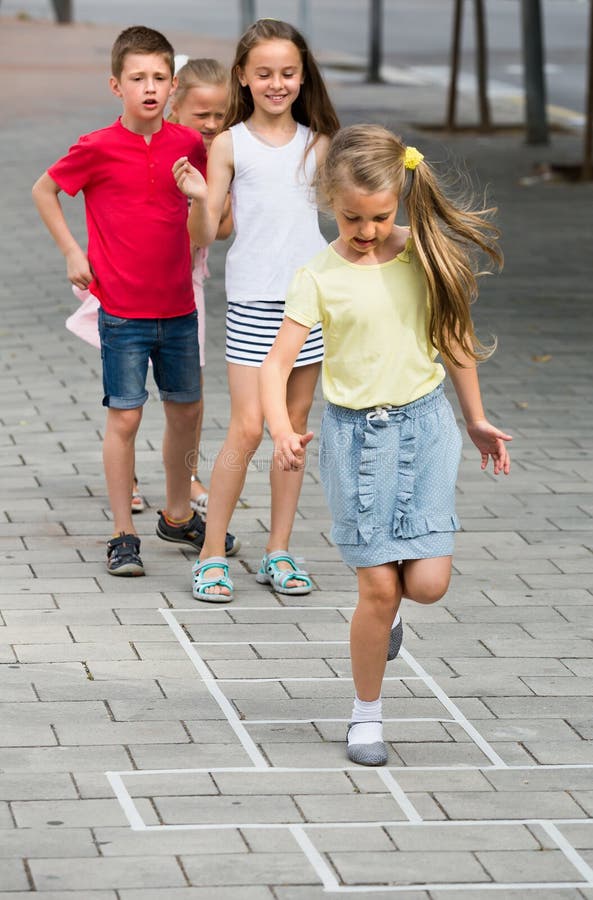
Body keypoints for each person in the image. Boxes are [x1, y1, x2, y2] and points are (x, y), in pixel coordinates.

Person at [260, 125, 512, 766]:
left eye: (379, 216)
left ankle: (394, 615)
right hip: (355, 439)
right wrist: (283, 428)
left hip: (426, 430)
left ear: (398, 200)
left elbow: (453, 338)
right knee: (378, 587)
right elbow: (275, 363)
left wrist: (476, 418)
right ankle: (365, 717)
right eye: (351, 217)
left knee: (425, 586)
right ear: (327, 202)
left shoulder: (425, 257)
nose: (366, 229)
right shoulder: (317, 275)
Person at [32, 25, 219, 576]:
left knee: (187, 411)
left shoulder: (188, 145)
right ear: (116, 84)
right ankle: (123, 532)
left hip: (179, 308)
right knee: (126, 417)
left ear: (173, 84)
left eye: (160, 78)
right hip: (123, 313)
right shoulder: (96, 147)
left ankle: (179, 514)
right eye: (137, 78)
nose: (149, 88)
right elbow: (43, 189)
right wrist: (72, 252)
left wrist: (200, 199)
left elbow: (203, 233)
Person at [173, 19, 340, 603]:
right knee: (247, 428)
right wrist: (197, 197)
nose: (277, 83)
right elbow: (207, 233)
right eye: (264, 73)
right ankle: (212, 552)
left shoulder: (319, 144)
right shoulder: (228, 144)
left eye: (288, 73)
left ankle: (279, 551)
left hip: (309, 305)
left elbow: (349, 226)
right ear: (243, 76)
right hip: (251, 303)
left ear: (302, 76)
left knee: (291, 434)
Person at [168, 57, 233, 521]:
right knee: (125, 396)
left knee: (191, 390)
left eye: (219, 115)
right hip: (132, 278)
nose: (211, 125)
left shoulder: (223, 157)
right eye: (201, 115)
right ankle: (127, 475)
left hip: (186, 282)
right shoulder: (154, 144)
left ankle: (188, 478)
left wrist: (207, 194)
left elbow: (221, 230)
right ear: (175, 107)